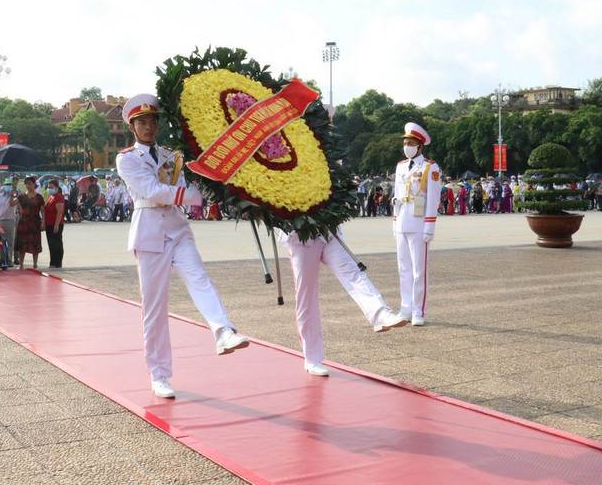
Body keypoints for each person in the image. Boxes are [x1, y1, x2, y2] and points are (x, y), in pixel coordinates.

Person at [116, 93, 249, 399]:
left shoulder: (172, 155)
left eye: (152, 121)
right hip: (149, 233)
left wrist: (216, 186)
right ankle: (159, 374)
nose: (148, 127)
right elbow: (153, 191)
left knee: (199, 278)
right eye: (141, 122)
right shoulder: (126, 159)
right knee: (154, 308)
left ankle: (223, 331)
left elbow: (191, 182)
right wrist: (197, 197)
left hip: (177, 228)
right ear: (132, 128)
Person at [277, 229, 409, 376]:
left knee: (352, 271)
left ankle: (380, 314)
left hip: (328, 232)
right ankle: (312, 358)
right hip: (300, 236)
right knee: (306, 296)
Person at [392, 122, 441, 326]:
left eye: (410, 143)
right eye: (405, 143)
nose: (407, 146)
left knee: (418, 270)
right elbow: (397, 195)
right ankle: (405, 308)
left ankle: (418, 311)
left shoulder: (430, 167)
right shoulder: (400, 166)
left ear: (420, 146)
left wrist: (430, 227)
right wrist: (394, 221)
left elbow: (433, 198)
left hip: (419, 223)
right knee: (403, 268)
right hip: (402, 221)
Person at [13, 176, 44, 269]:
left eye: (30, 184)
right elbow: (11, 204)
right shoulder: (22, 196)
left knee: (35, 243)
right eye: (26, 184)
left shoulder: (39, 197)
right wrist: (11, 195)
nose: (28, 186)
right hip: (23, 222)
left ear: (34, 185)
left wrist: (43, 222)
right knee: (22, 244)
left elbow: (43, 211)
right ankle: (21, 264)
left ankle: (35, 264)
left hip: (35, 222)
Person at [0, 177, 20, 260]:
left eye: (9, 185)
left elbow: (12, 204)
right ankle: (0, 258)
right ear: (3, 185)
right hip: (0, 220)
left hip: (10, 220)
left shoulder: (16, 197)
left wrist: (11, 196)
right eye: (6, 185)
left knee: (10, 241)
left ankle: (9, 259)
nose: (8, 186)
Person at [43, 178, 66, 268]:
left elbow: (59, 212)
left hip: (56, 224)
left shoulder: (58, 197)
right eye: (48, 187)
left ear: (56, 187)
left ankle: (58, 262)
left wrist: (56, 224)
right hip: (49, 224)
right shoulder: (50, 197)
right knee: (51, 244)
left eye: (51, 187)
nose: (49, 189)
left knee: (57, 244)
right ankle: (52, 261)